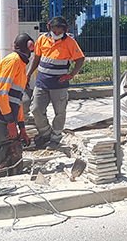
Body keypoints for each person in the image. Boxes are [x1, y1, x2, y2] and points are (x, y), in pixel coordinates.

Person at [27, 16, 85, 149]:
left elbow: (80, 59)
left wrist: (71, 75)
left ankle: (56, 136)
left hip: (59, 85)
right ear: (49, 27)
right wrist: (28, 74)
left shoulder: (70, 43)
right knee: (36, 109)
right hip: (42, 82)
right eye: (54, 31)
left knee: (60, 112)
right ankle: (45, 132)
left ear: (66, 30)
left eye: (60, 32)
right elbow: (36, 58)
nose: (57, 34)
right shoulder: (42, 39)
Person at [0, 33, 33, 173]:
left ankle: (14, 178)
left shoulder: (20, 64)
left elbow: (17, 100)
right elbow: (1, 93)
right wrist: (10, 123)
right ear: (30, 46)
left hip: (5, 118)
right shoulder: (13, 61)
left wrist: (22, 129)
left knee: (14, 150)